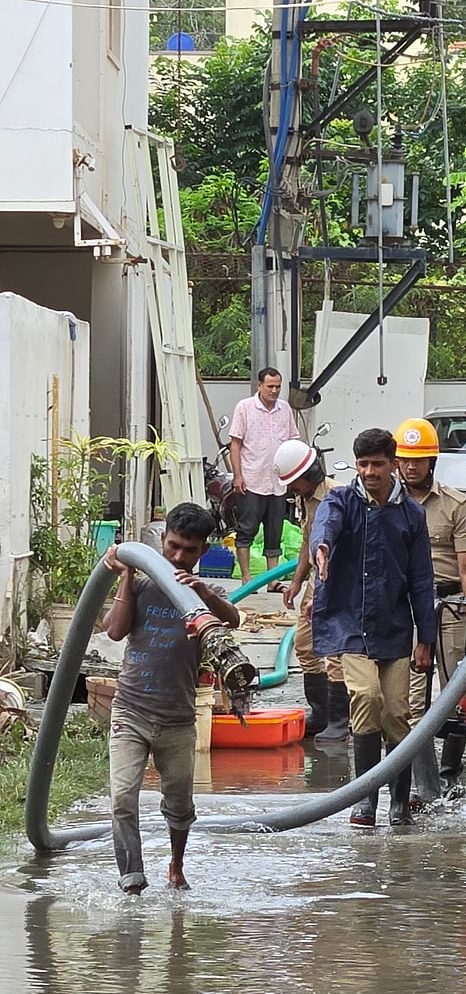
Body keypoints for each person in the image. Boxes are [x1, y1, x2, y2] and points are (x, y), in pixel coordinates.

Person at [103, 502, 239, 893]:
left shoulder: (200, 597)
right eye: (173, 546)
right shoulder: (144, 584)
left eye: (189, 550)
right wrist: (126, 576)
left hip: (178, 718)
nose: (178, 556)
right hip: (131, 710)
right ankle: (131, 879)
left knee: (179, 805)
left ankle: (176, 865)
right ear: (162, 540)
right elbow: (114, 632)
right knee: (122, 798)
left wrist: (202, 595)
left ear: (203, 551)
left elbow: (231, 620)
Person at [310, 427, 435, 828]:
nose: (369, 472)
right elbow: (325, 522)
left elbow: (421, 579)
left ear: (393, 464)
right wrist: (323, 546)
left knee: (398, 711)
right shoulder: (341, 500)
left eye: (377, 464)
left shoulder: (410, 514)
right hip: (351, 625)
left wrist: (426, 638)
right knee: (366, 697)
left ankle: (399, 804)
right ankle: (365, 801)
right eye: (362, 464)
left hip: (395, 627)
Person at [393, 418, 466, 806]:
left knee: (455, 692)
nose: (411, 467)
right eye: (404, 460)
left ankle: (449, 776)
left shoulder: (456, 505)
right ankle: (421, 784)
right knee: (412, 698)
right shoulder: (386, 503)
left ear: (432, 461)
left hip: (449, 604)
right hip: (403, 607)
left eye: (419, 460)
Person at [275, 439, 350, 744]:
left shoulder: (337, 496)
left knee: (334, 652)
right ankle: (319, 713)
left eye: (293, 483)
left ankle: (339, 720)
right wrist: (296, 582)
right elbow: (309, 543)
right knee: (305, 645)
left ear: (306, 475)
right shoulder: (304, 499)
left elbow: (340, 551)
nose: (291, 489)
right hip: (314, 584)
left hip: (336, 585)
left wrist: (322, 595)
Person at [228, 367, 300, 585]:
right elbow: (236, 443)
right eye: (270, 386)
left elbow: (292, 441)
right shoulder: (245, 408)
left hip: (277, 481)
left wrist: (293, 476)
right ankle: (247, 578)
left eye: (278, 387)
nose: (274, 391)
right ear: (259, 385)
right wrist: (237, 475)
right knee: (246, 530)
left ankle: (272, 580)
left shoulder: (285, 409)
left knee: (274, 532)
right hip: (251, 479)